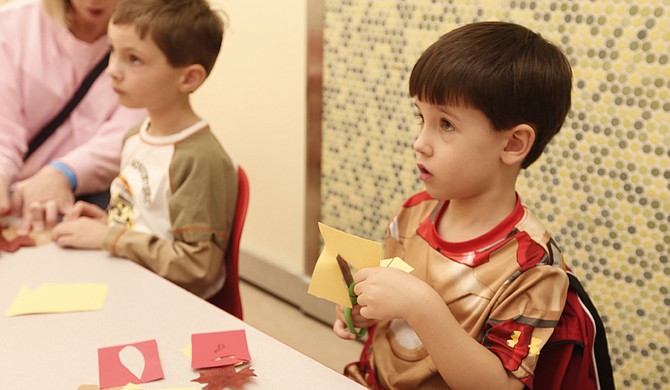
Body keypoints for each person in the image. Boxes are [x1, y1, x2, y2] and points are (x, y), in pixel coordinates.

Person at [333, 22, 573, 389]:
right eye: (421, 119)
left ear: (513, 144)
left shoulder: (534, 268)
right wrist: (367, 309)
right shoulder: (413, 213)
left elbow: (502, 385)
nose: (420, 143)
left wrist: (421, 307)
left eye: (445, 124)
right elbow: (396, 321)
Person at [51, 0, 237, 299]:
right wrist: (105, 221)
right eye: (112, 51)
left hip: (169, 302)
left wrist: (110, 236)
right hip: (128, 282)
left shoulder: (200, 160)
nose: (113, 70)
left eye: (134, 59)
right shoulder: (136, 137)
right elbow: (149, 224)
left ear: (188, 78)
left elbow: (198, 268)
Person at [0, 0, 146, 234]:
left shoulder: (151, 36)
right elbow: (4, 129)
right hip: (16, 200)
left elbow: (134, 130)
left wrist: (64, 172)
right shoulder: (12, 26)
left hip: (90, 202)